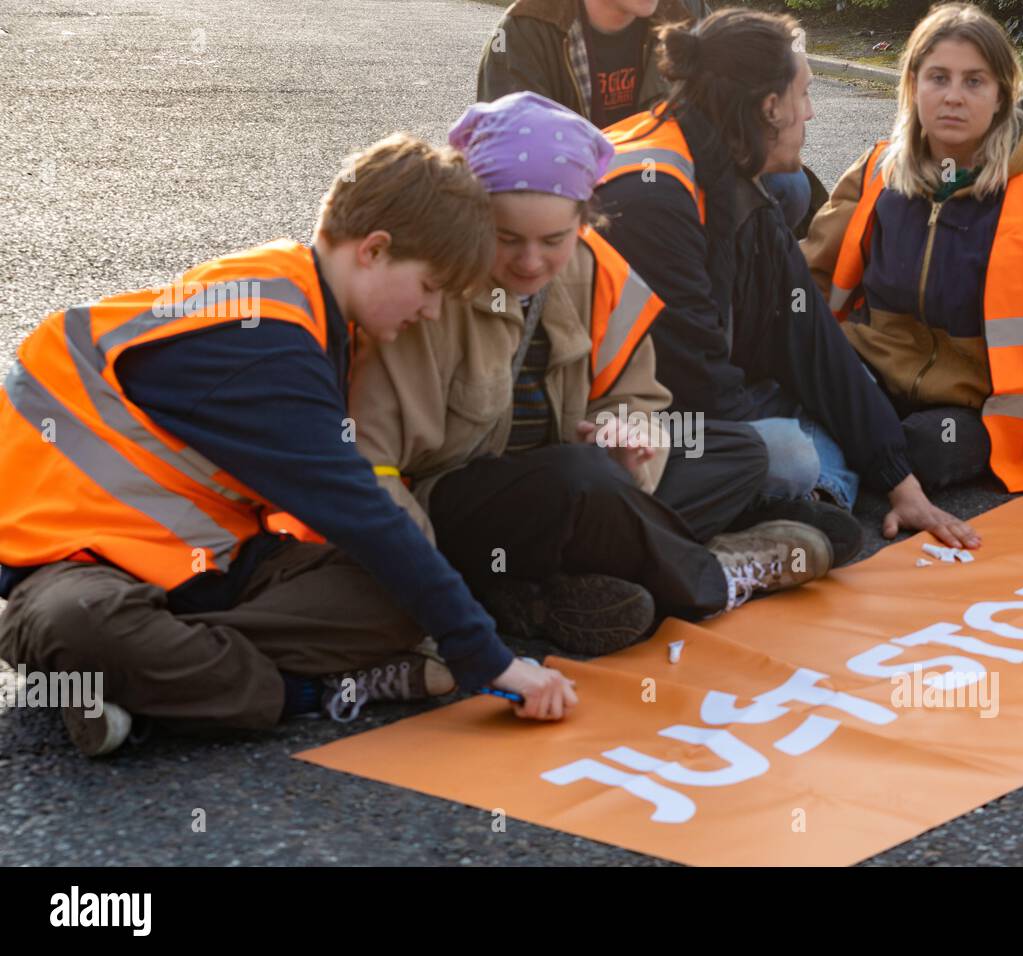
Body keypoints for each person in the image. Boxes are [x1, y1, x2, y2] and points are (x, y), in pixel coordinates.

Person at [0, 134, 578, 757]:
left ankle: (139, 679)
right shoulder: (265, 340)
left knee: (395, 597)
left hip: (214, 564)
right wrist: (489, 661)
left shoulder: (303, 300)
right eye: (430, 286)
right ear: (375, 250)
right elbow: (361, 509)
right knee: (81, 627)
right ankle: (310, 693)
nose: (433, 311)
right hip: (75, 563)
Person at [350, 92, 836, 657]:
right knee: (580, 478)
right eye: (506, 239)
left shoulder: (594, 268)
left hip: (583, 494)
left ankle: (541, 595)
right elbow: (369, 468)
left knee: (738, 452)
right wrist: (426, 589)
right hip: (461, 516)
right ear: (471, 216)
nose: (531, 262)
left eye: (554, 241)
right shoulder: (425, 294)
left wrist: (632, 439)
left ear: (583, 221)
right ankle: (710, 576)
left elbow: (637, 398)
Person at [595, 8, 981, 550]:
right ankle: (798, 504)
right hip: (614, 425)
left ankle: (813, 505)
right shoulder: (655, 198)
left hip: (691, 398)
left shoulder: (724, 167)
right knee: (790, 452)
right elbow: (699, 388)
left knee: (848, 393)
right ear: (768, 106)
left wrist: (902, 484)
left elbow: (812, 333)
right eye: (802, 95)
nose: (811, 113)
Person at [802, 2, 1023, 508]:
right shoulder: (876, 170)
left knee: (919, 447)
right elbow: (810, 278)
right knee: (802, 404)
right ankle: (821, 499)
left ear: (1004, 93)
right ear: (913, 85)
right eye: (938, 78)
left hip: (978, 412)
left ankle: (826, 491)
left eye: (974, 82)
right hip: (873, 379)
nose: (953, 97)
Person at [476, 0, 819, 233]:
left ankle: (746, 293)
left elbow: (737, 106)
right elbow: (512, 165)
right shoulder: (524, 30)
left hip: (678, 177)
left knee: (788, 186)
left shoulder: (681, 11)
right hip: (581, 191)